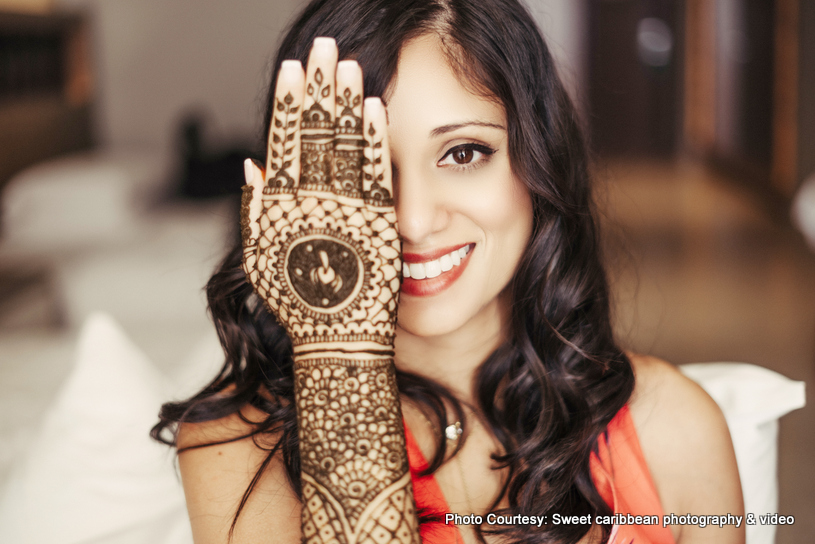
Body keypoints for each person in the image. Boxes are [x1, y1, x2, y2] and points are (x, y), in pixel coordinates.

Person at [152, 0, 744, 542]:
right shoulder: (239, 448)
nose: (411, 219)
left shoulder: (675, 426)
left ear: (540, 161)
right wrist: (339, 353)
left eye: (463, 153)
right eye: (366, 169)